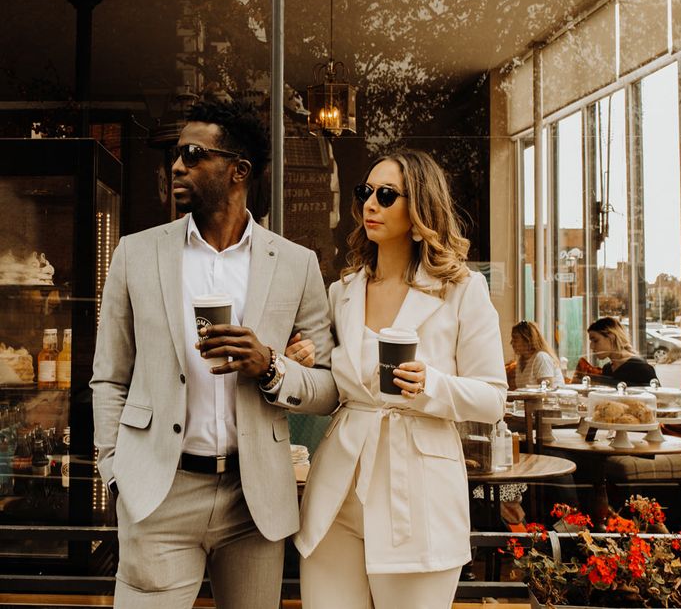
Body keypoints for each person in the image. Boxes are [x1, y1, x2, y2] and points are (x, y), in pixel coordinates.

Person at [90, 98, 338, 609]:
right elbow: (110, 377)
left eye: (194, 154)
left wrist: (270, 366)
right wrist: (116, 471)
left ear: (238, 170)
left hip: (255, 503)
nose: (176, 165)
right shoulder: (135, 253)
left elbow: (330, 388)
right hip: (159, 492)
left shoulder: (296, 264)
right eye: (176, 154)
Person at [295, 149, 507, 609]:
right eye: (365, 192)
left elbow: (492, 400)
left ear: (420, 209)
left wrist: (430, 384)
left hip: (418, 499)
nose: (371, 203)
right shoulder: (342, 292)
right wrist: (304, 359)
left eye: (386, 195)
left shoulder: (461, 289)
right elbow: (328, 383)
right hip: (337, 495)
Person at [587, 316, 655, 386]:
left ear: (611, 337)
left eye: (595, 341)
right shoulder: (607, 369)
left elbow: (657, 395)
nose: (591, 346)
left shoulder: (640, 368)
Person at [510, 320, 564, 388]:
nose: (511, 343)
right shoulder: (521, 361)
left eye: (515, 339)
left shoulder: (542, 357)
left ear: (527, 340)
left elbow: (547, 391)